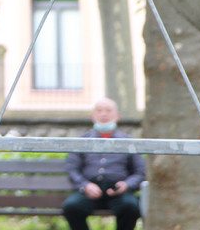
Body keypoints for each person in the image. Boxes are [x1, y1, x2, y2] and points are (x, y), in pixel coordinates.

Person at [62, 97, 146, 230]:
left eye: (108, 110)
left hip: (119, 191)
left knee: (131, 207)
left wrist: (126, 185)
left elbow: (140, 171)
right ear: (93, 116)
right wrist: (85, 185)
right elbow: (72, 169)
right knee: (71, 207)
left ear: (117, 116)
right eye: (99, 110)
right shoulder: (81, 141)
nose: (104, 114)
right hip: (89, 189)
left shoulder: (129, 141)